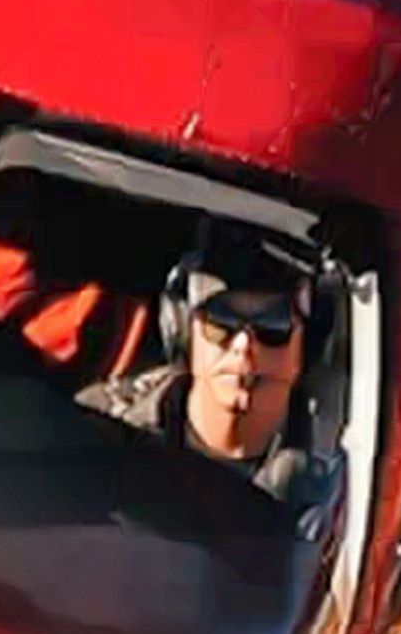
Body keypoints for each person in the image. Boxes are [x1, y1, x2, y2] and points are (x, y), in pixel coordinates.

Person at [77, 222, 339, 523]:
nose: (243, 346)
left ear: (307, 347)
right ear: (182, 331)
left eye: (273, 326)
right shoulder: (100, 429)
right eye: (221, 321)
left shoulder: (347, 477)